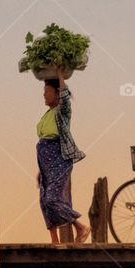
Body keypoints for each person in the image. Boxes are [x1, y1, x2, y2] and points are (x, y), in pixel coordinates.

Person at [36, 75, 90, 244]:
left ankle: (80, 227)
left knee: (52, 199)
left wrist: (59, 73)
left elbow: (65, 96)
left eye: (47, 91)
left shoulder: (62, 111)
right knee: (44, 200)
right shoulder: (47, 114)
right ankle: (54, 241)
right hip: (46, 162)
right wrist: (41, 169)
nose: (44, 95)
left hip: (59, 159)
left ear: (57, 93)